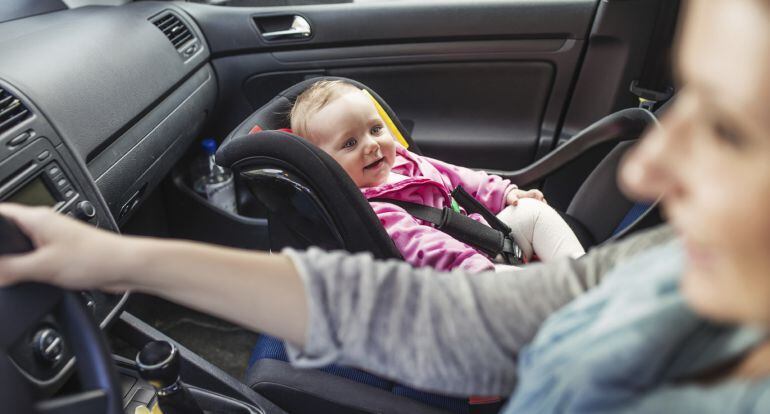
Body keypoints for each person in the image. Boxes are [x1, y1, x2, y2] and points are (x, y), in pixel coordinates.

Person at [1, 0, 770, 411]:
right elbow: (410, 311)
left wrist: (502, 215)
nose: (645, 171)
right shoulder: (647, 280)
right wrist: (111, 257)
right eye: (685, 96)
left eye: (729, 129)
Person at [288, 79, 585, 271]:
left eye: (376, 129)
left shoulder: (404, 161)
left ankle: (585, 277)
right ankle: (561, 311)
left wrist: (506, 193)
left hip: (481, 235)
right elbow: (422, 247)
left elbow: (458, 178)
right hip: (455, 277)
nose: (372, 145)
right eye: (350, 143)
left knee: (531, 211)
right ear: (324, 164)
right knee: (519, 288)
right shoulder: (371, 210)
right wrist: (472, 266)